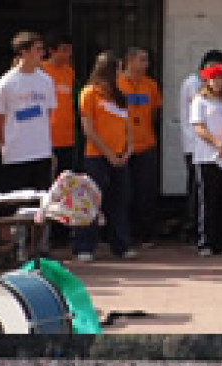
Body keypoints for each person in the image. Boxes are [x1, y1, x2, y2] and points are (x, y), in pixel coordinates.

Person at [75, 50, 134, 261]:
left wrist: (128, 148)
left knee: (119, 200)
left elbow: (127, 126)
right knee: (91, 200)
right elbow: (89, 130)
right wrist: (109, 154)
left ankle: (121, 244)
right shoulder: (89, 93)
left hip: (120, 155)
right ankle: (85, 246)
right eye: (118, 68)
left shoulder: (120, 96)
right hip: (97, 156)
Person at [189, 61, 222, 257]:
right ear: (207, 80)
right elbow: (199, 127)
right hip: (207, 157)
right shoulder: (200, 101)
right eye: (214, 79)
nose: (218, 82)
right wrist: (217, 144)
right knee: (208, 200)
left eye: (221, 78)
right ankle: (206, 242)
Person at [0, 32, 56, 192]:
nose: (42, 53)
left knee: (41, 204)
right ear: (24, 52)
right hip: (17, 154)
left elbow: (48, 114)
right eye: (38, 49)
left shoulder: (46, 80)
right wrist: (3, 146)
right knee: (17, 204)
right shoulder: (5, 83)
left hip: (41, 152)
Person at [179, 50, 222, 243]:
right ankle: (193, 230)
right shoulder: (194, 85)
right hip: (197, 146)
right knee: (199, 193)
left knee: (216, 193)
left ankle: (216, 233)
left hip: (218, 150)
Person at [118, 47, 161, 249]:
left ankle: (147, 233)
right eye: (142, 60)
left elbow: (154, 112)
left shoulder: (151, 86)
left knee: (146, 190)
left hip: (146, 144)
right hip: (123, 146)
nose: (146, 64)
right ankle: (126, 233)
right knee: (125, 192)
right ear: (129, 61)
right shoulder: (117, 83)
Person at [41, 33, 76, 245]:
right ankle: (47, 233)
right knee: (48, 188)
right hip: (48, 138)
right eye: (63, 50)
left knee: (65, 188)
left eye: (69, 50)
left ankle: (62, 232)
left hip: (68, 137)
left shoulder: (69, 72)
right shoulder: (42, 71)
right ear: (51, 51)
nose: (68, 54)